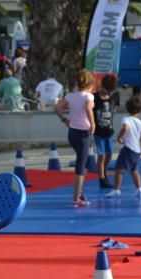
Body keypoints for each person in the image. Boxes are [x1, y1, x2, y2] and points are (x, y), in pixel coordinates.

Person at [54, 69, 96, 207]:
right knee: (80, 166)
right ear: (90, 84)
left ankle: (79, 191)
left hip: (72, 133)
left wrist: (64, 120)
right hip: (84, 133)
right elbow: (89, 109)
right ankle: (76, 199)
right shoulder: (88, 97)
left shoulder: (70, 96)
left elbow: (57, 108)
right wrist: (93, 124)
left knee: (83, 164)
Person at [106, 97, 141, 198]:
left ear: (128, 108)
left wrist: (119, 137)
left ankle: (116, 189)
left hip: (128, 148)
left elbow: (125, 128)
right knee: (134, 171)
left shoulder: (126, 119)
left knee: (118, 170)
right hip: (137, 150)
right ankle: (139, 189)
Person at [93, 73, 120, 190]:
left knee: (109, 154)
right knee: (101, 155)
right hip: (98, 132)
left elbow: (115, 108)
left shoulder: (115, 96)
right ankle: (101, 179)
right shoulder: (94, 97)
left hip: (109, 131)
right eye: (107, 90)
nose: (108, 93)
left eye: (111, 91)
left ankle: (104, 169)